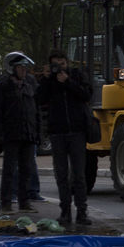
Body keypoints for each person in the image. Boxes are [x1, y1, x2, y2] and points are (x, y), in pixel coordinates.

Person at [36, 49, 92, 226]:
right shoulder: (49, 81)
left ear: (67, 62)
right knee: (61, 175)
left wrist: (67, 81)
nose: (59, 68)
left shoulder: (76, 75)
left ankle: (82, 212)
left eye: (62, 64)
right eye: (56, 64)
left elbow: (86, 95)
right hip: (57, 132)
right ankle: (65, 212)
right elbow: (39, 99)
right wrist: (46, 79)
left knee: (79, 175)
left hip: (77, 131)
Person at [0, 51, 40, 212]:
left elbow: (35, 110)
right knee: (9, 170)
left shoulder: (29, 85)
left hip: (28, 132)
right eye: (20, 67)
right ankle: (6, 202)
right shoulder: (3, 87)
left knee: (27, 169)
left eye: (25, 67)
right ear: (12, 68)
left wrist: (37, 132)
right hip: (11, 133)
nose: (24, 70)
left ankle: (24, 202)